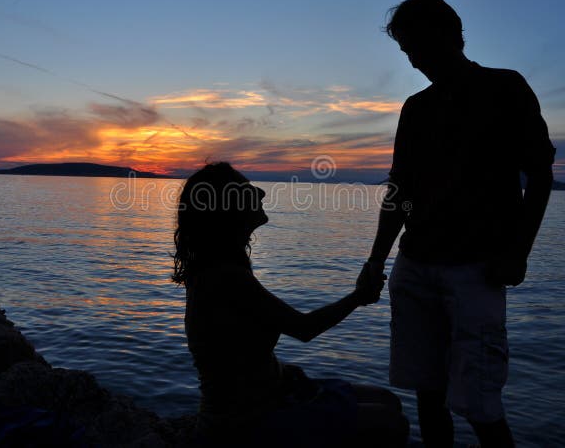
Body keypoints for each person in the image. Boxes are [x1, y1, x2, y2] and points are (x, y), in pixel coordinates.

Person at [363, 0, 556, 447]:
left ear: (453, 35)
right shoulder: (416, 108)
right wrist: (375, 260)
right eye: (407, 52)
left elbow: (540, 175)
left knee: (480, 402)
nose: (413, 62)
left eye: (419, 48)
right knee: (428, 396)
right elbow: (400, 190)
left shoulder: (506, 87)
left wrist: (518, 253)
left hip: (477, 268)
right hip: (415, 266)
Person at [174, 162, 409, 447]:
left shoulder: (224, 268)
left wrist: (285, 376)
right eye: (249, 190)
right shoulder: (224, 276)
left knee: (387, 400)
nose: (260, 194)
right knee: (391, 423)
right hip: (243, 422)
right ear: (228, 207)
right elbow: (303, 328)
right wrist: (357, 297)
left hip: (275, 393)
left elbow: (241, 355)